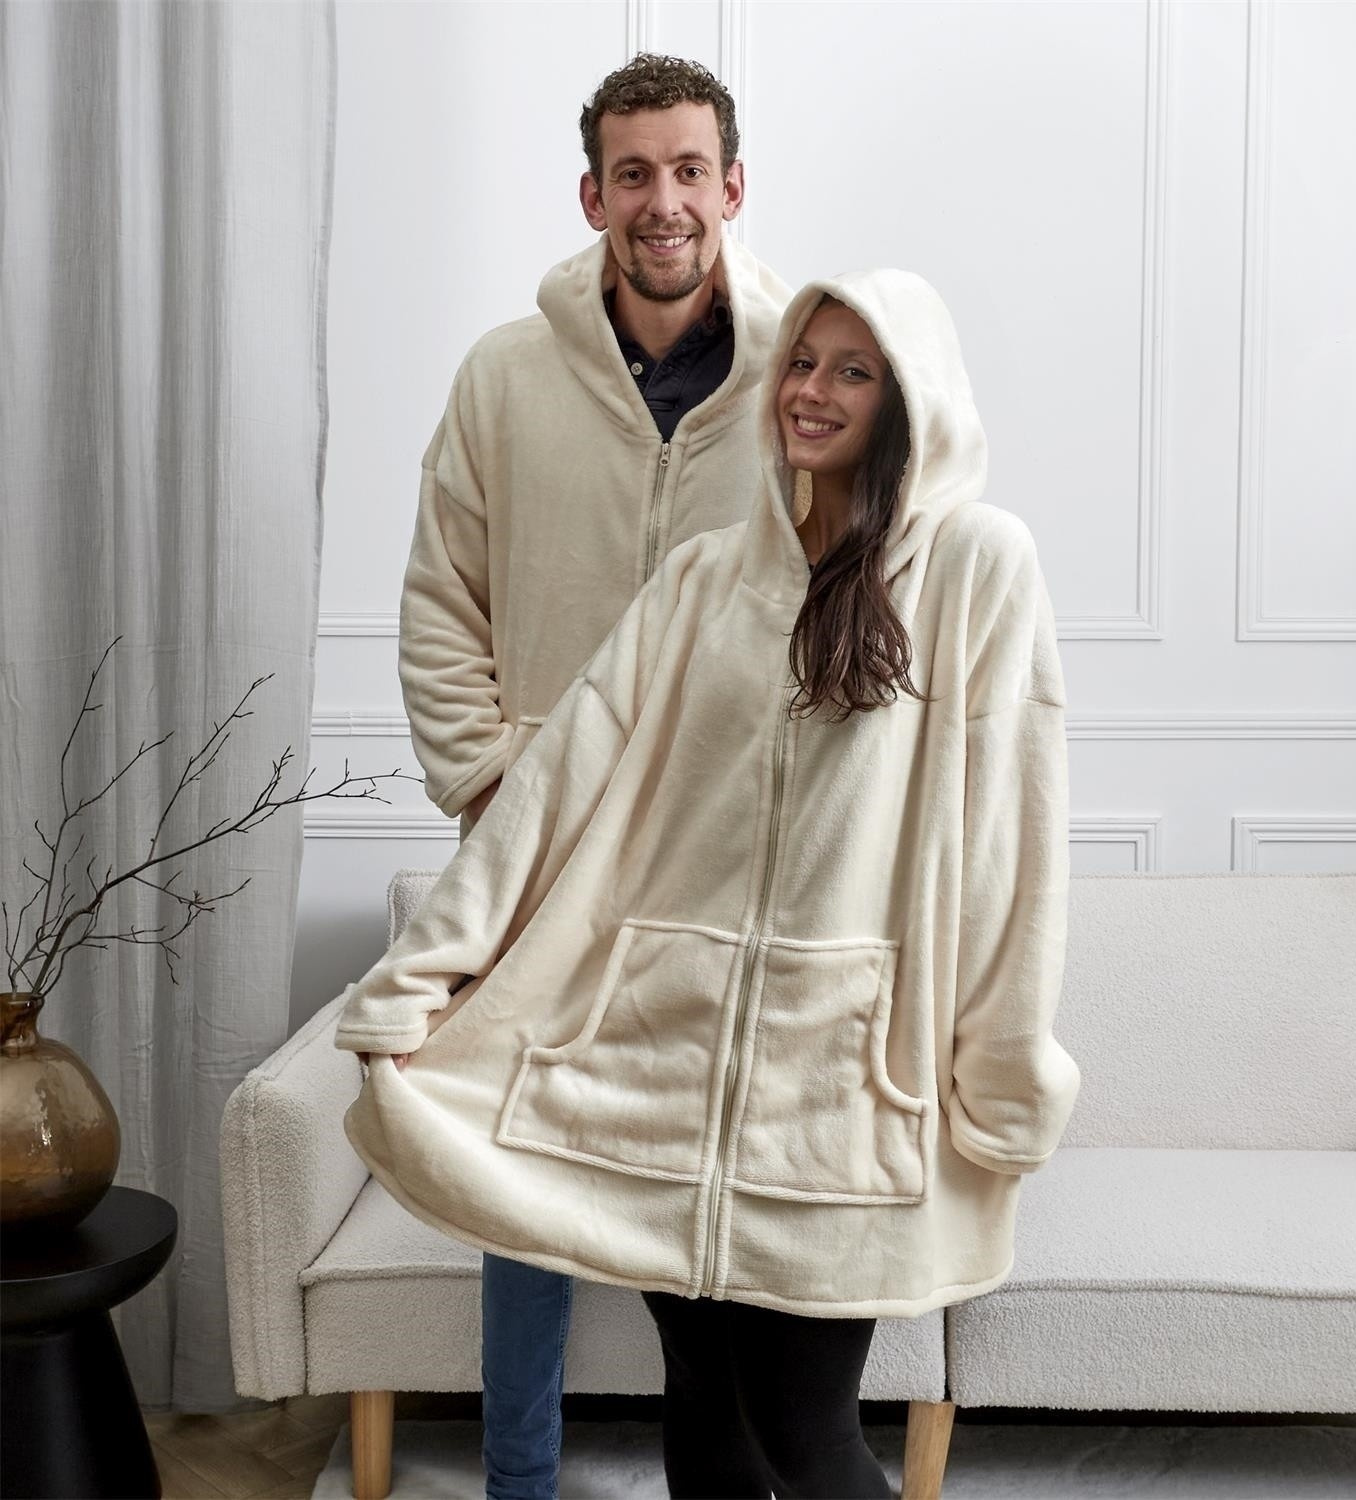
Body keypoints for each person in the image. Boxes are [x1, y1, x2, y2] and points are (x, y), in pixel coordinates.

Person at [337, 269, 1081, 1499]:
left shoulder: (978, 567)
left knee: (804, 1427)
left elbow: (1013, 843)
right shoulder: (704, 579)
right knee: (705, 1397)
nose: (813, 391)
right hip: (661, 1057)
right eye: (804, 363)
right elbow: (559, 787)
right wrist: (422, 975)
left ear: (909, 400)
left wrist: (1001, 1071)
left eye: (854, 371)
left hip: (837, 1081)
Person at [371, 52, 789, 1500]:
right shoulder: (504, 376)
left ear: (733, 185)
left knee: (714, 1171)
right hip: (536, 850)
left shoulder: (804, 378)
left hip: (726, 849)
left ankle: (724, 1478)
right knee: (520, 1167)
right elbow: (440, 605)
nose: (663, 201)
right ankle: (520, 1481)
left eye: (689, 171)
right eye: (634, 173)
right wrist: (497, 798)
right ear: (593, 194)